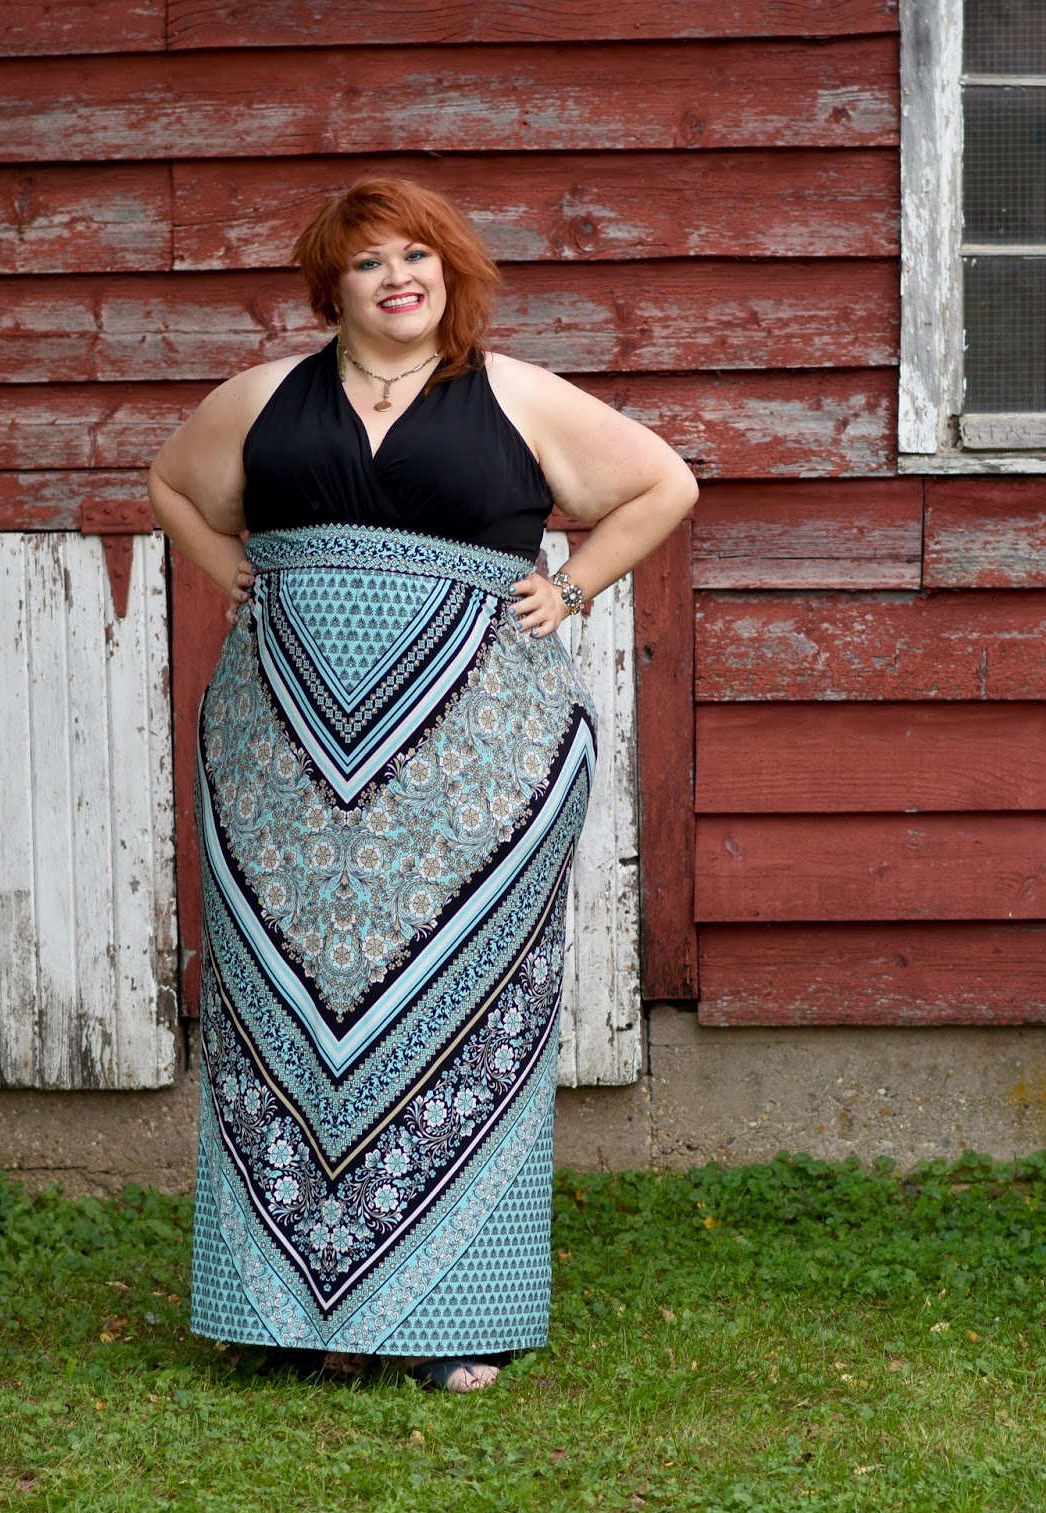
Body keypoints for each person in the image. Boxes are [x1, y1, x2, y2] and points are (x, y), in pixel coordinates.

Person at [148, 178, 696, 1393]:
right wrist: (230, 570)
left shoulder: (514, 395)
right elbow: (174, 485)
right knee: (274, 1015)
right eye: (368, 263)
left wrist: (576, 585)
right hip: (278, 763)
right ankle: (280, 1310)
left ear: (449, 272)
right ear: (330, 285)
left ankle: (457, 1316)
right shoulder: (263, 401)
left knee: (466, 1010)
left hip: (478, 767)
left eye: (418, 256)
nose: (398, 278)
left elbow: (664, 485)